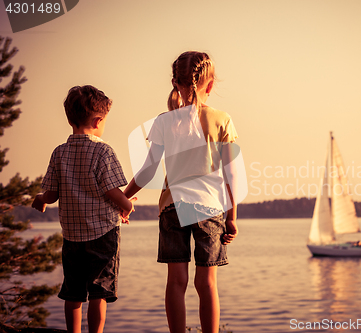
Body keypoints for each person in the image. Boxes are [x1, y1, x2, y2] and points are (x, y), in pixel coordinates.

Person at [124, 51, 240, 333]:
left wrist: (123, 196)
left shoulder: (164, 121)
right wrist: (232, 216)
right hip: (209, 209)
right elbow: (231, 174)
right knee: (207, 283)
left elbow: (148, 171)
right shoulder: (222, 119)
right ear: (210, 86)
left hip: (172, 207)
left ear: (175, 82)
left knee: (176, 281)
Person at [32, 85, 136, 333]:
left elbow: (53, 194)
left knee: (73, 292)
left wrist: (41, 199)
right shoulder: (103, 151)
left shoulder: (59, 153)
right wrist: (127, 206)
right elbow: (112, 191)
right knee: (99, 292)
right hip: (102, 234)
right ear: (98, 120)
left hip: (72, 237)